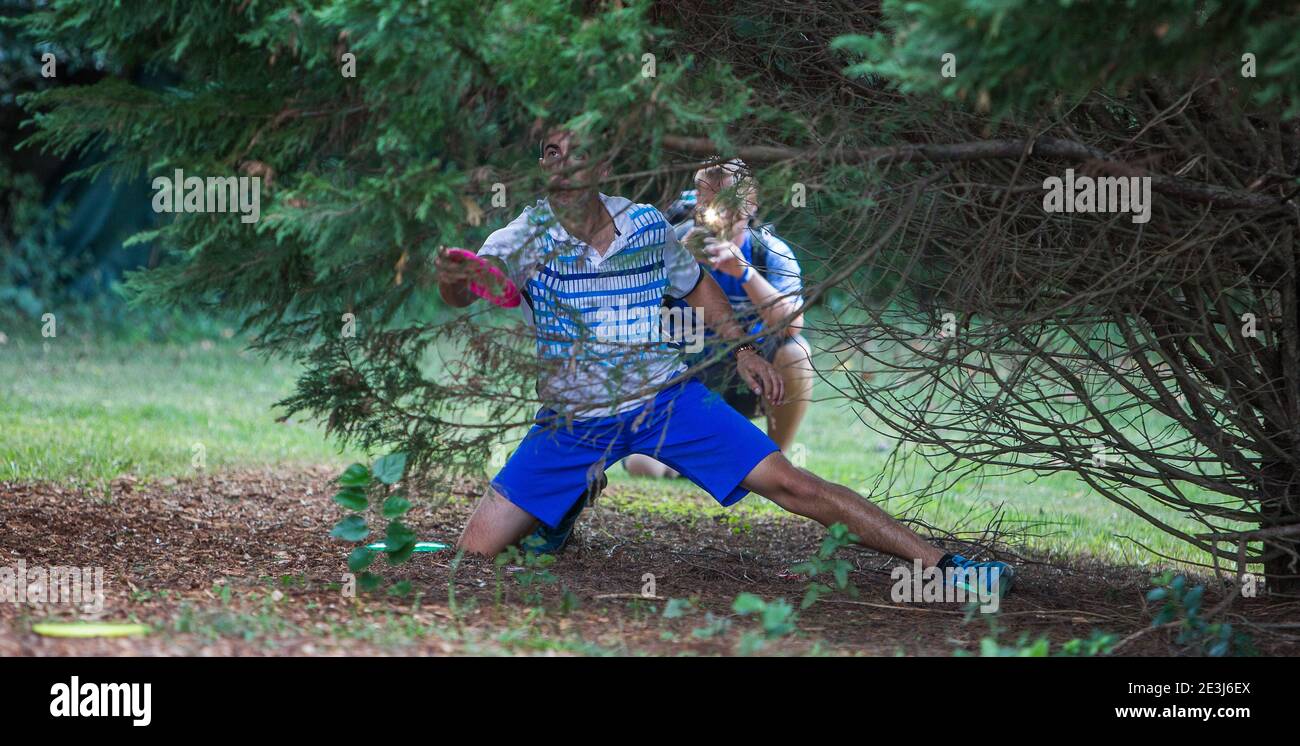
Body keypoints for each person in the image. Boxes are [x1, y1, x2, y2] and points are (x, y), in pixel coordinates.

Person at [435, 128, 1013, 598]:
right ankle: (562, 508)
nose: (564, 164)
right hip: (574, 418)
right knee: (472, 556)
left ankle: (943, 566)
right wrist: (452, 281)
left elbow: (695, 288)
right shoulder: (522, 235)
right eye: (551, 153)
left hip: (665, 399)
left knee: (791, 483)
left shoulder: (644, 225)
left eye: (578, 152)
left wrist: (741, 347)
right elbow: (473, 289)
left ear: (602, 164)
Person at [624, 159, 812, 479]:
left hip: (748, 379)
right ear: (698, 203)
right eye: (710, 202)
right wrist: (673, 267)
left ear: (750, 206)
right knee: (645, 467)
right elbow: (628, 313)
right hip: (686, 380)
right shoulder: (671, 244)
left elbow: (791, 324)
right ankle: (697, 465)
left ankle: (776, 463)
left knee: (797, 353)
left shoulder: (769, 251)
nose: (720, 214)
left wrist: (745, 274)